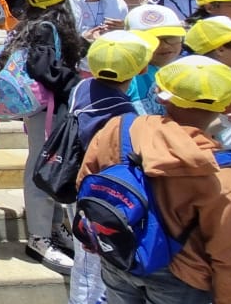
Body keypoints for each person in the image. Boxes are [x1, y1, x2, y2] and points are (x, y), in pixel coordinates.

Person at [78, 55, 231, 304]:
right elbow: (230, 252)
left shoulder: (120, 128)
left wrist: (94, 236)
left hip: (121, 256)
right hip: (183, 276)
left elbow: (86, 182)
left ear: (159, 93)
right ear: (229, 105)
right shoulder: (222, 173)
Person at [0, 0, 84, 274]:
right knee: (42, 168)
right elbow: (44, 68)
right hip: (46, 111)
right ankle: (38, 237)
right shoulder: (47, 28)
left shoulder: (35, 25)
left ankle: (55, 228)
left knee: (54, 167)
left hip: (47, 110)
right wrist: (77, 84)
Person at [66, 30, 158, 304]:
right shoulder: (123, 109)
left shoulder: (82, 88)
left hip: (79, 180)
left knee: (87, 258)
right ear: (142, 68)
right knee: (95, 260)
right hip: (103, 192)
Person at [123, 5, 187, 116]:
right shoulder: (128, 77)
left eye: (172, 38)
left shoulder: (188, 69)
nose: (165, 46)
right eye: (153, 41)